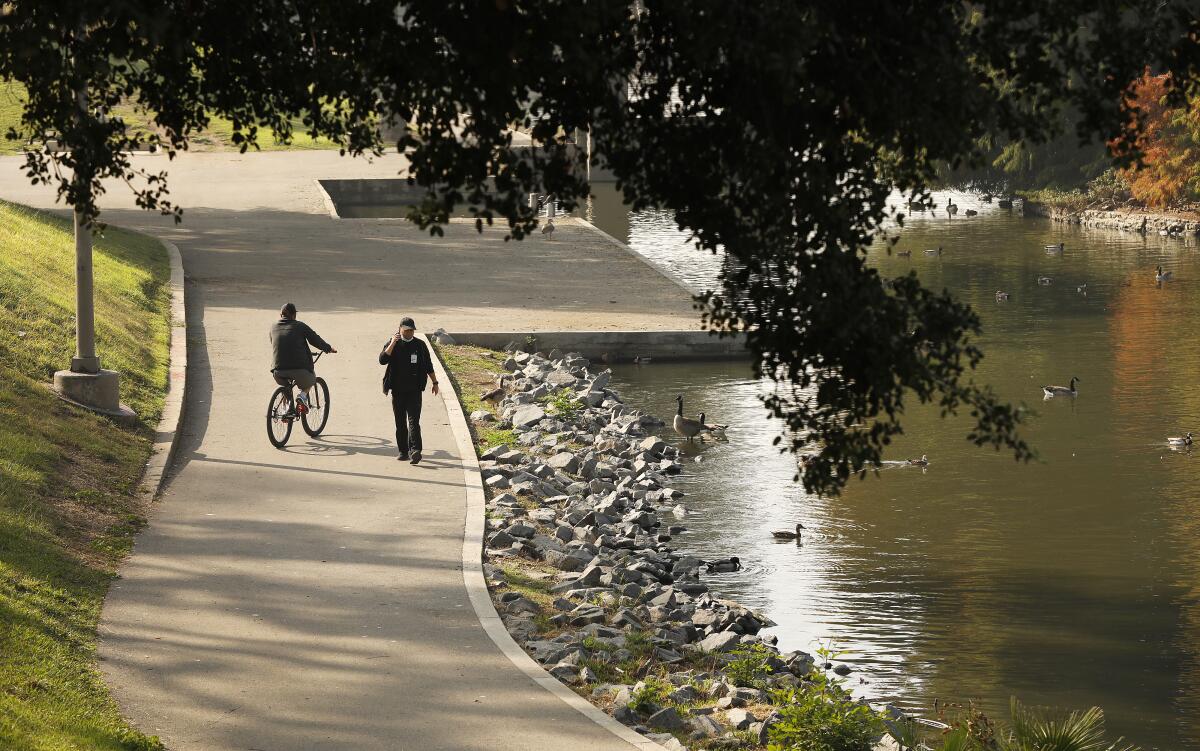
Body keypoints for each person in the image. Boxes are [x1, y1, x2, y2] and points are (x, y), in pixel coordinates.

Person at [379, 316, 439, 464]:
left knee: (414, 421)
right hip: (397, 391)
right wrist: (393, 342)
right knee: (400, 422)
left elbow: (428, 366)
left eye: (411, 330)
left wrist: (435, 382)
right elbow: (382, 360)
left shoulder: (420, 345)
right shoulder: (393, 344)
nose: (409, 333)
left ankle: (416, 450)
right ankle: (403, 451)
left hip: (414, 390)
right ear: (399, 330)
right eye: (406, 330)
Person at [269, 303, 335, 410]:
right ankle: (302, 396)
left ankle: (285, 410)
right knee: (311, 379)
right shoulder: (300, 326)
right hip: (299, 371)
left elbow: (275, 344)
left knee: (287, 386)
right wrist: (328, 348)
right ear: (294, 315)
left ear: (281, 315)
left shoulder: (273, 327)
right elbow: (315, 339)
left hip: (277, 372)